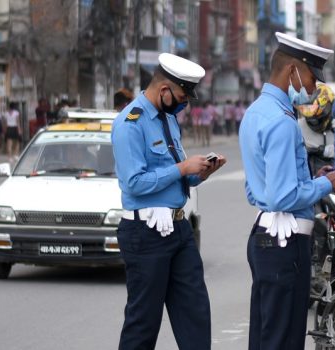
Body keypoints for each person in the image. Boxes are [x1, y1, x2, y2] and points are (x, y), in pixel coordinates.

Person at [239, 32, 335, 350]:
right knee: (284, 339)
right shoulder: (281, 122)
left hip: (264, 234)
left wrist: (309, 179)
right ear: (292, 70)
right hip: (285, 241)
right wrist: (327, 183)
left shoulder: (255, 112)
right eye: (310, 78)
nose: (312, 88)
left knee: (265, 336)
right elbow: (281, 197)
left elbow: (257, 190)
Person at [111, 53, 226, 350]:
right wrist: (181, 169)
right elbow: (133, 183)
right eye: (182, 96)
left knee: (195, 313)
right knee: (143, 322)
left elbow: (179, 175)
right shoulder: (130, 123)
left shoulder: (168, 119)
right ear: (164, 91)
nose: (185, 103)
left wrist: (201, 172)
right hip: (144, 232)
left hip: (178, 227)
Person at [297, 82, 335, 174]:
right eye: (310, 119)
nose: (314, 121)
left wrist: (323, 151)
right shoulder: (298, 127)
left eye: (317, 118)